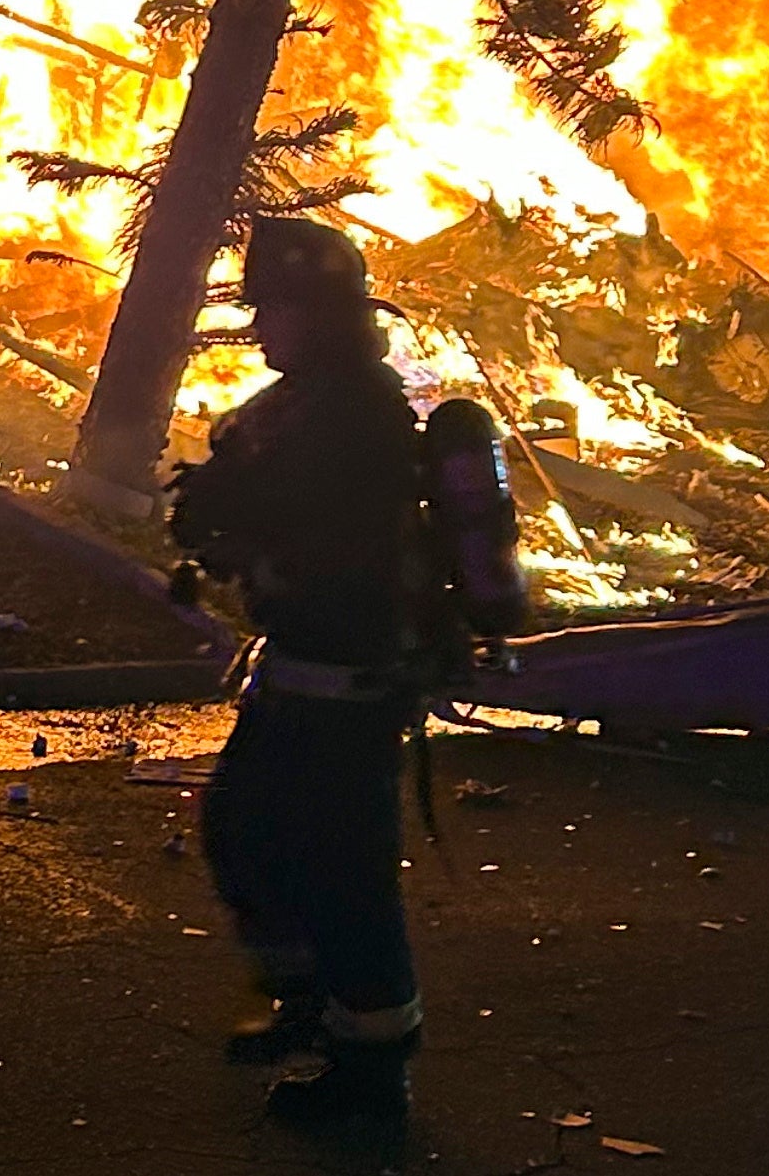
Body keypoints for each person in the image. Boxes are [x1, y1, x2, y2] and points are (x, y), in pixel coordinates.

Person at [166, 215, 529, 1137]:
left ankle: (370, 1079)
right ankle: (307, 1008)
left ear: (318, 314)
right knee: (245, 830)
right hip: (304, 672)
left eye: (273, 308)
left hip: (350, 684)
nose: (260, 327)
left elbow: (327, 538)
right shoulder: (313, 400)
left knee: (342, 879)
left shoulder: (350, 415)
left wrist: (231, 515)